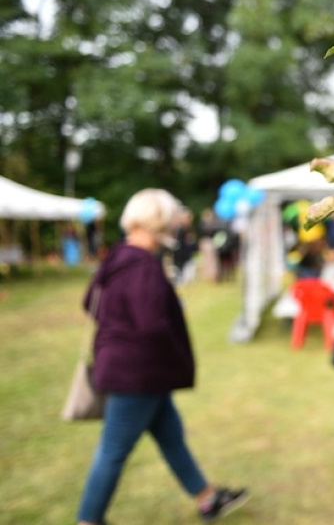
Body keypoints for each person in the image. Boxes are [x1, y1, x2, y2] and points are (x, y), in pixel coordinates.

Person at [75, 189, 247, 525]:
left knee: (171, 436)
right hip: (137, 375)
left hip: (132, 371)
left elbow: (89, 303)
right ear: (159, 220)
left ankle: (208, 499)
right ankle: (88, 520)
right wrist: (176, 358)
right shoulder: (143, 266)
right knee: (113, 451)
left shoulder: (117, 256)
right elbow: (152, 325)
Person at [171, 208, 197, 286]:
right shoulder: (179, 228)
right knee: (179, 268)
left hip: (186, 253)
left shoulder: (187, 228)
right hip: (180, 253)